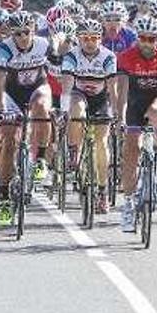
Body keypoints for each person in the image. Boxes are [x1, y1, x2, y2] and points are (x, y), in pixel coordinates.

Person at [115, 15, 157, 231]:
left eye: (151, 39)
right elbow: (122, 93)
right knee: (130, 153)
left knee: (155, 112)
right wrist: (119, 119)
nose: (146, 43)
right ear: (137, 38)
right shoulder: (126, 57)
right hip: (134, 104)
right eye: (142, 38)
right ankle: (127, 204)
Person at [0, 11, 56, 225]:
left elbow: (59, 60)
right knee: (9, 142)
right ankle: (3, 198)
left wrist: (61, 44)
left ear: (33, 30)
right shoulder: (4, 47)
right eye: (17, 34)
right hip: (11, 93)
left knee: (42, 108)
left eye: (26, 32)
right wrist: (1, 108)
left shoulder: (42, 44)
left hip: (37, 88)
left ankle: (40, 159)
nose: (22, 37)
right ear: (11, 34)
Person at [60, 18, 117, 214]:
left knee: (101, 143)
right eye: (85, 38)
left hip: (101, 99)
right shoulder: (71, 56)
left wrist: (117, 112)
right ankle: (74, 149)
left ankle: (103, 191)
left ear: (100, 39)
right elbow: (67, 84)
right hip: (79, 95)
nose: (89, 42)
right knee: (76, 110)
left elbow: (113, 87)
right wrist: (63, 108)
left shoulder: (108, 57)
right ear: (78, 39)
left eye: (93, 38)